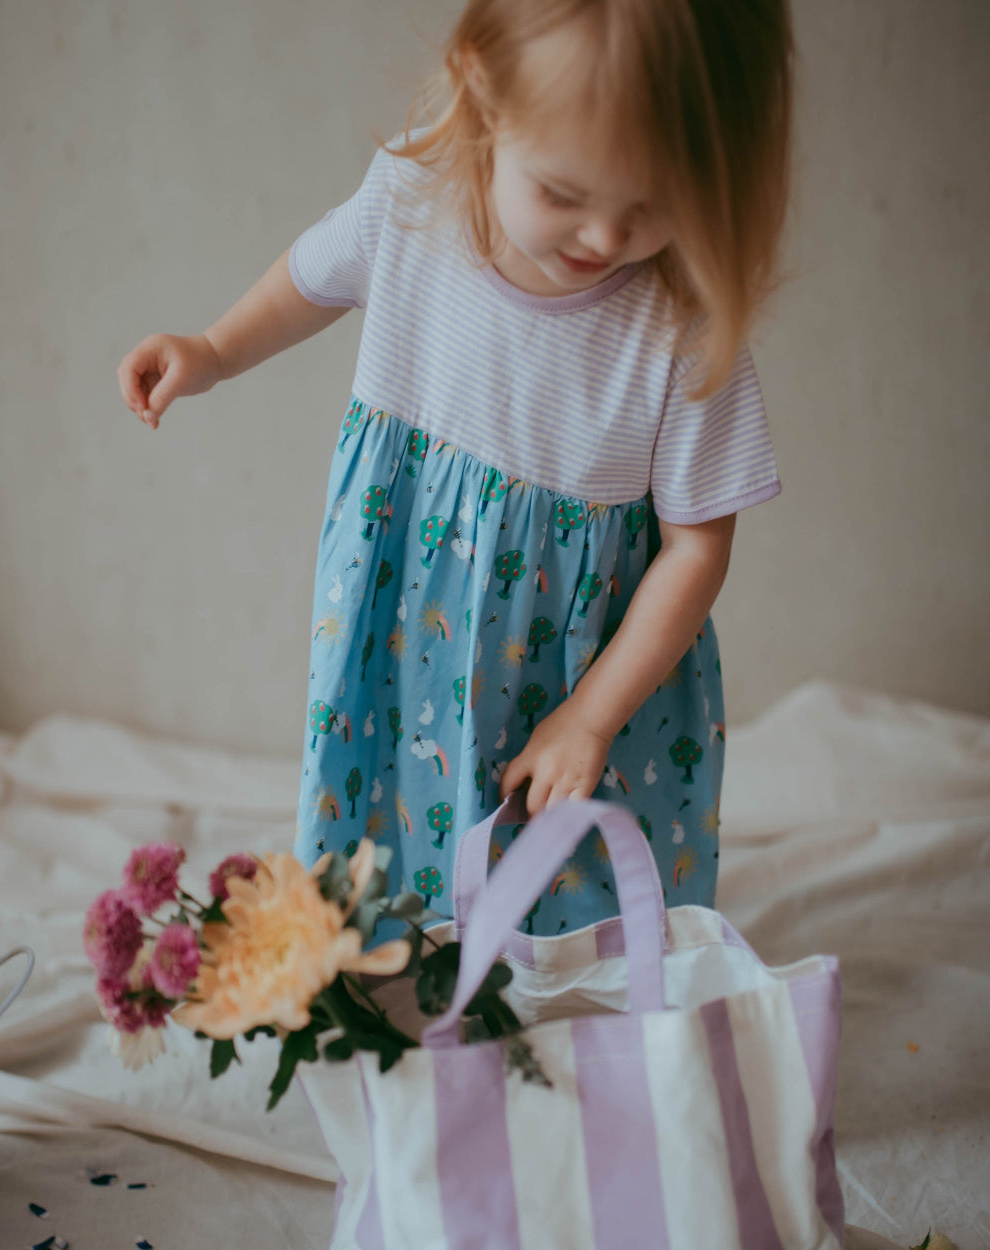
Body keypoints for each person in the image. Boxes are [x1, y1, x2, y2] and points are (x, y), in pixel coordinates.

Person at [117, 0, 794, 935]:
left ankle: (562, 1023)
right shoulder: (411, 202)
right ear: (484, 95)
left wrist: (592, 719)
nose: (601, 238)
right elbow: (311, 279)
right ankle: (404, 995)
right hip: (405, 640)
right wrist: (214, 348)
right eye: (563, 193)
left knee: (572, 890)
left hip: (582, 672)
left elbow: (695, 550)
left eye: (649, 207)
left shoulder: (681, 327)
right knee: (386, 856)